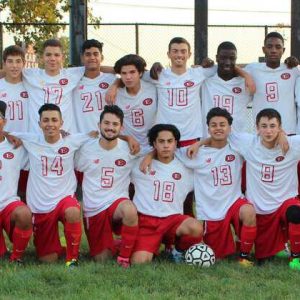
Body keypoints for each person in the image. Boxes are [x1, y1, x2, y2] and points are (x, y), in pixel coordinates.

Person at [12, 103, 90, 266]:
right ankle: (58, 248)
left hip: (64, 198)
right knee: (47, 259)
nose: (50, 124)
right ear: (39, 123)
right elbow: (4, 132)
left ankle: (72, 259)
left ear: (61, 123)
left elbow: (98, 134)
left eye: (54, 120)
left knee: (73, 211)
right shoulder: (30, 139)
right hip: (40, 205)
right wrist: (11, 136)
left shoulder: (72, 140)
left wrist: (128, 138)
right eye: (46, 120)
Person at [181, 108, 256, 266]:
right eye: (214, 125)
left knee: (248, 211)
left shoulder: (237, 148)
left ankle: (244, 256)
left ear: (230, 128)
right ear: (208, 128)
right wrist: (149, 156)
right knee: (217, 256)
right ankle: (231, 245)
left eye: (223, 124)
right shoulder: (196, 153)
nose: (218, 128)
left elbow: (264, 138)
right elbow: (168, 151)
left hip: (234, 202)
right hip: (211, 210)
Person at [227, 108, 300, 270]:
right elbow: (220, 132)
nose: (268, 130)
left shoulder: (293, 144)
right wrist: (200, 143)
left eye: (273, 126)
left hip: (284, 205)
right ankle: (250, 254)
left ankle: (296, 258)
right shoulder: (248, 143)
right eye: (264, 126)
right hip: (259, 211)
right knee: (264, 258)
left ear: (280, 127)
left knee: (296, 212)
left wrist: (284, 135)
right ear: (257, 128)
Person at [75, 105, 139, 268]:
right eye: (106, 123)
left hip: (117, 202)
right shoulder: (85, 149)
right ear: (99, 125)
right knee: (101, 259)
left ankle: (124, 258)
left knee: (130, 210)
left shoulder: (130, 150)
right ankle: (117, 243)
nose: (110, 127)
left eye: (115, 124)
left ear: (121, 127)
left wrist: (130, 140)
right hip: (94, 207)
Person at [131, 124, 202, 264]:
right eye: (161, 141)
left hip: (172, 221)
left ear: (176, 143)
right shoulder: (139, 165)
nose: (166, 145)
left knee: (195, 227)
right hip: (147, 222)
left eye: (170, 141)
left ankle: (177, 252)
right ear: (154, 144)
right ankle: (138, 244)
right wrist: (149, 155)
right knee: (139, 262)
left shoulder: (186, 168)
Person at [21, 39, 85, 133]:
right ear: (41, 58)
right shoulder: (31, 75)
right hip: (38, 137)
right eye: (48, 55)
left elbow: (97, 68)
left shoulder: (72, 75)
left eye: (56, 55)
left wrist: (115, 83)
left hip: (64, 136)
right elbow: (7, 71)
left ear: (62, 58)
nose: (52, 59)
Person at [245, 32, 300, 135]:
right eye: (269, 47)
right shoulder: (252, 69)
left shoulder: (293, 70)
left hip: (288, 132)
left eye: (278, 47)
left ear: (283, 51)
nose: (273, 50)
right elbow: (233, 72)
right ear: (264, 49)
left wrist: (295, 61)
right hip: (263, 133)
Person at [0, 100, 32, 263]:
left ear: (4, 121)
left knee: (25, 214)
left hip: (7, 204)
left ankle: (16, 257)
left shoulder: (16, 147)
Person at [201, 42, 252, 137]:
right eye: (223, 58)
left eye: (232, 58)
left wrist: (246, 75)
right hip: (211, 141)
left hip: (237, 141)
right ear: (216, 58)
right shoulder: (205, 82)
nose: (227, 62)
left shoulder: (244, 83)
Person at [0, 45, 30, 200]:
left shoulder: (32, 84)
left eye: (18, 61)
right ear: (4, 64)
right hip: (6, 146)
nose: (14, 65)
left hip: (27, 148)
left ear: (24, 63)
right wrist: (6, 134)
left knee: (26, 199)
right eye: (10, 61)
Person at [114, 54, 157, 156]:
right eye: (124, 73)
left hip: (153, 148)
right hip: (127, 149)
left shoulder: (154, 88)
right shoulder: (116, 94)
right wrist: (127, 138)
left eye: (132, 72)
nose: (128, 77)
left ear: (141, 73)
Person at [73, 39, 116, 133]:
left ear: (102, 57)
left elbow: (129, 74)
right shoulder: (73, 81)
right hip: (83, 137)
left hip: (107, 137)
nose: (92, 57)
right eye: (88, 54)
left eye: (96, 54)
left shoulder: (112, 79)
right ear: (82, 58)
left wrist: (115, 85)